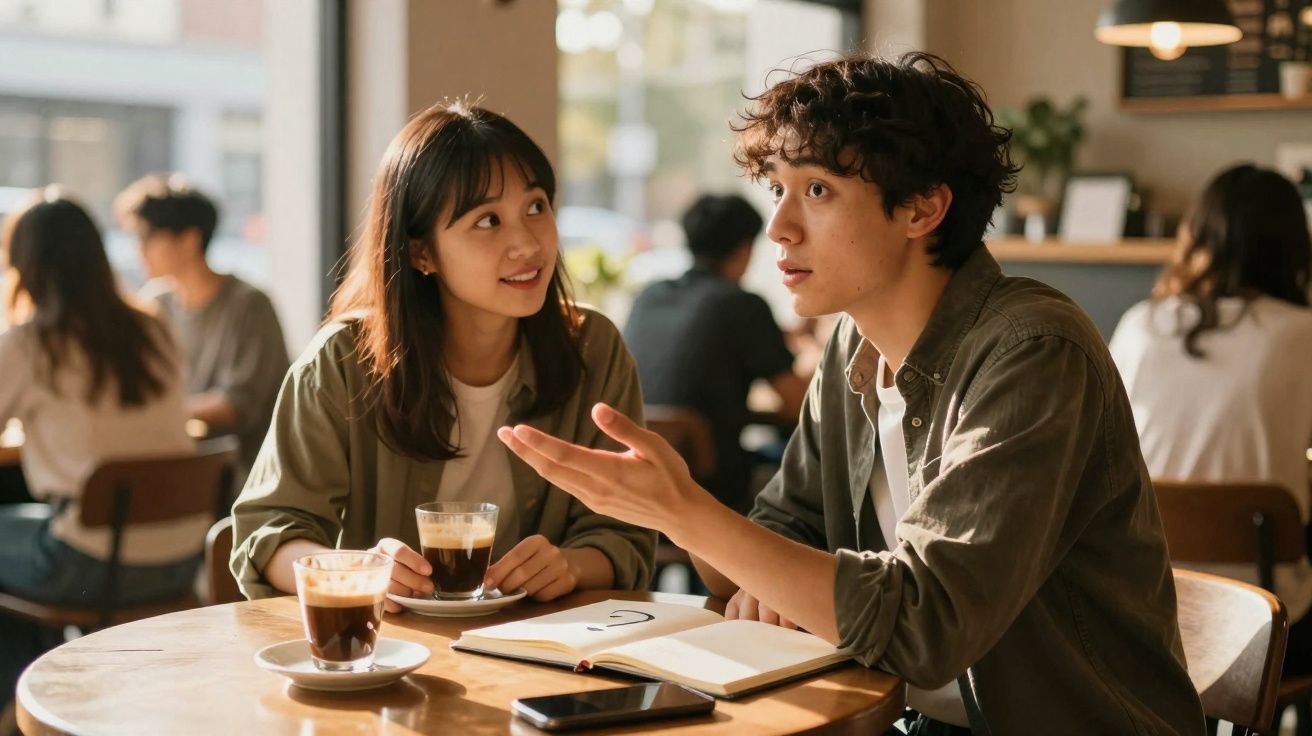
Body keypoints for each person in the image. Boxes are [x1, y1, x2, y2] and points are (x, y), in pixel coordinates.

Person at [496, 52, 1204, 733]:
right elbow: (778, 539)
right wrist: (682, 514)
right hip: (898, 719)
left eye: (817, 191)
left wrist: (686, 512)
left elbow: (927, 625)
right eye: (778, 189)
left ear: (922, 208)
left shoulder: (1035, 352)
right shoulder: (852, 345)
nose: (779, 227)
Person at [229, 102, 655, 609]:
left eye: (536, 207)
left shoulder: (592, 346)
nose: (527, 244)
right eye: (488, 220)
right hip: (395, 644)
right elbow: (269, 536)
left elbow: (625, 534)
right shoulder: (343, 361)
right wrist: (362, 570)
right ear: (421, 252)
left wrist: (570, 564)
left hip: (545, 641)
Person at [1110, 163, 1312, 675]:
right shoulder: (1303, 333)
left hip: (1139, 613)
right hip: (1266, 625)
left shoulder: (1140, 326)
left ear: (1197, 236)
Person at [0, 190, 197, 713]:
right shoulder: (152, 326)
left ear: (24, 265)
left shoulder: (30, 343)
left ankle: (20, 705)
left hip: (94, 562)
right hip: (181, 558)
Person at [624, 193, 808, 512]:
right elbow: (797, 405)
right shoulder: (741, 304)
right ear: (745, 248)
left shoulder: (649, 296)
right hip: (709, 487)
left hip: (637, 476)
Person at [115, 175, 289, 482]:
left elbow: (236, 406)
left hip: (243, 474)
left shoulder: (249, 305)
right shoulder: (155, 303)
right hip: (175, 462)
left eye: (147, 237)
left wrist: (158, 414)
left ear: (189, 240)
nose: (139, 250)